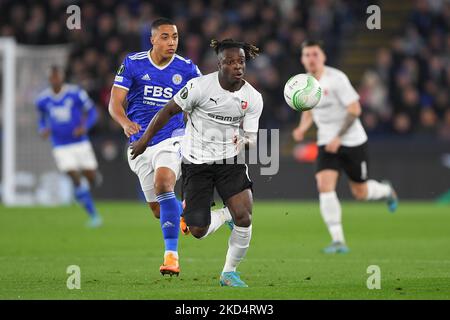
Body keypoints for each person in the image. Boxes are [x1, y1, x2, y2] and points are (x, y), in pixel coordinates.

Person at [131, 39, 263, 287]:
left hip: (230, 161)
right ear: (219, 64)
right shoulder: (199, 87)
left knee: (245, 217)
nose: (238, 66)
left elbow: (252, 138)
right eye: (231, 62)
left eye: (242, 62)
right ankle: (225, 216)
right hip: (196, 163)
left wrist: (244, 141)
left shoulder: (252, 97)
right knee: (198, 230)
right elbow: (168, 111)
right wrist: (145, 141)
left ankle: (229, 272)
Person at [108, 18, 232, 276]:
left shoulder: (187, 69)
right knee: (158, 210)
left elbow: (208, 97)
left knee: (164, 183)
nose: (171, 42)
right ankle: (218, 215)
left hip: (173, 137)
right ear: (152, 39)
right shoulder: (133, 63)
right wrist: (125, 122)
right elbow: (114, 103)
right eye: (165, 37)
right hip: (139, 143)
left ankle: (171, 257)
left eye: (175, 37)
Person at [292, 40, 398, 254]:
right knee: (324, 185)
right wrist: (302, 128)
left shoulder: (336, 79)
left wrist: (339, 137)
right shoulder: (305, 83)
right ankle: (338, 240)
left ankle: (386, 191)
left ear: (323, 57)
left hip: (352, 141)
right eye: (307, 55)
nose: (311, 58)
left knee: (360, 192)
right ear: (302, 59)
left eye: (315, 54)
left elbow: (355, 109)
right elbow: (309, 109)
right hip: (325, 143)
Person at [36, 65, 102, 228]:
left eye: (58, 76)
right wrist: (43, 129)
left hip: (80, 142)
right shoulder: (43, 100)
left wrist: (85, 127)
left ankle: (89, 183)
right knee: (73, 174)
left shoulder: (75, 93)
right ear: (49, 79)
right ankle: (93, 215)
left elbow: (93, 112)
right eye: (52, 77)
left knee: (91, 177)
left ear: (62, 77)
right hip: (60, 145)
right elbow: (42, 119)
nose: (55, 79)